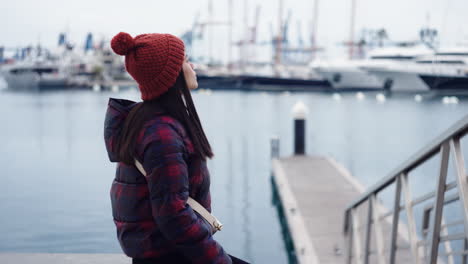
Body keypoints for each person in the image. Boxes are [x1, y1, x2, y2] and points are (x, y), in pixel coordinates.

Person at [104, 32, 249, 264]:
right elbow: (173, 215)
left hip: (165, 251)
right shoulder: (161, 134)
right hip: (168, 255)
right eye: (185, 60)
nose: (192, 66)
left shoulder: (149, 121)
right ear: (171, 75)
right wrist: (219, 260)